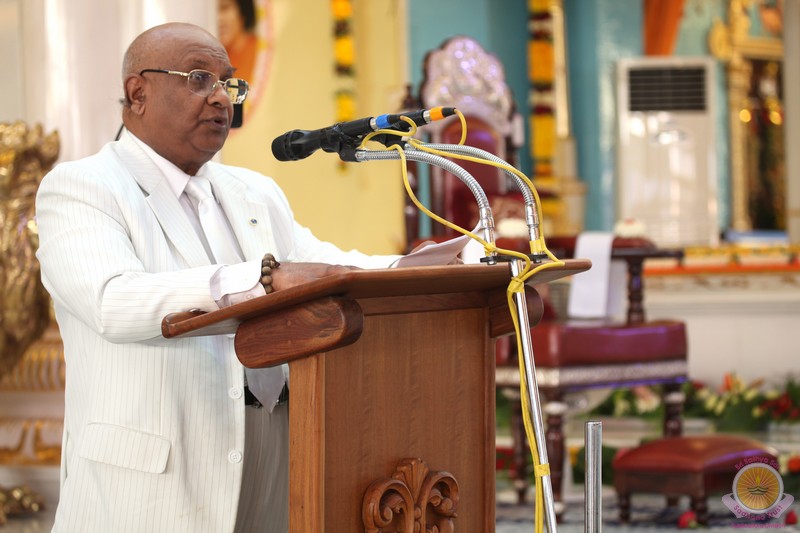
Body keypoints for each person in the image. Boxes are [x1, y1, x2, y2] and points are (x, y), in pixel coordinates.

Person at [35, 22, 401, 532]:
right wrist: (265, 280)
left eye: (229, 83)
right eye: (198, 78)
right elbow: (111, 300)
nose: (220, 98)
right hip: (152, 477)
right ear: (138, 92)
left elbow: (329, 267)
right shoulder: (83, 187)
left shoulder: (254, 191)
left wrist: (424, 266)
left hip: (274, 454)